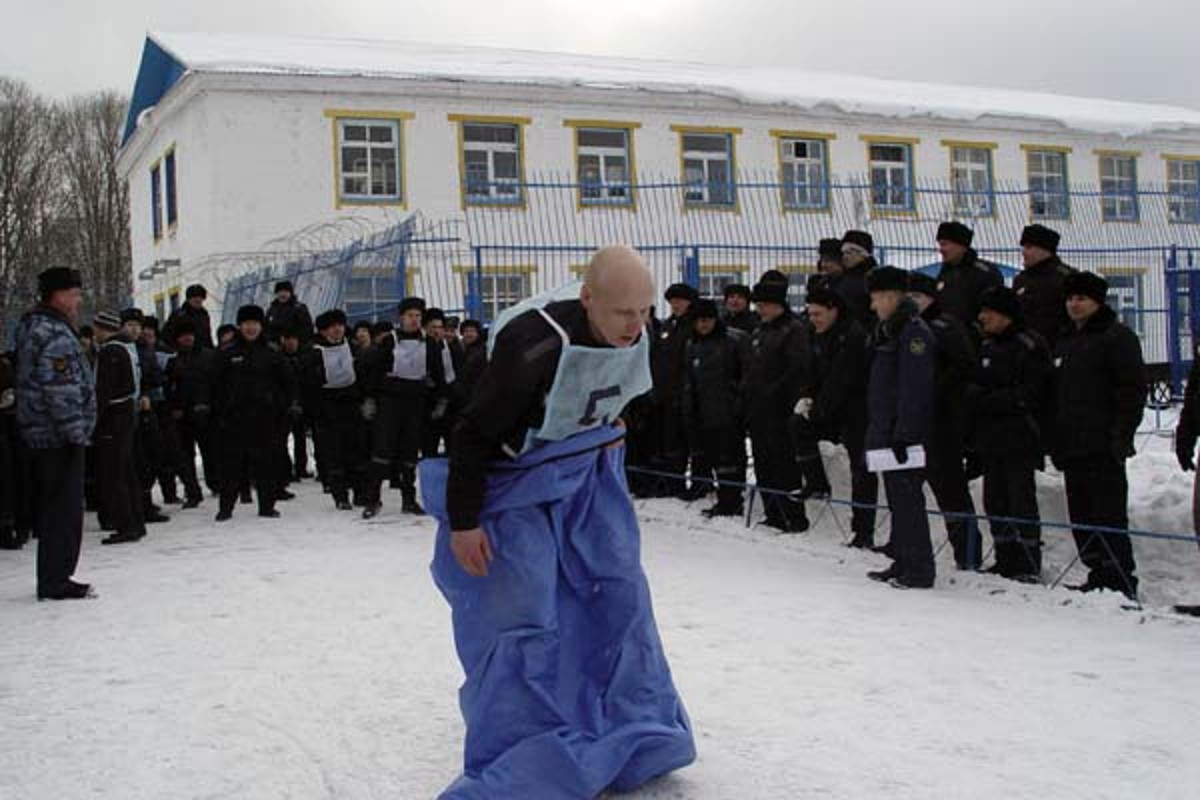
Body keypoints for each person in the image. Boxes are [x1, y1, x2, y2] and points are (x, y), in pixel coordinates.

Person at [426, 245, 695, 798]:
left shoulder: (640, 331)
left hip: (585, 469)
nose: (636, 324)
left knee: (618, 593)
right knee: (523, 614)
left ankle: (629, 723)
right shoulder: (534, 347)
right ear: (588, 297)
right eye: (623, 311)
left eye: (644, 311)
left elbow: (629, 393)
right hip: (508, 482)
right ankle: (524, 747)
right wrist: (464, 522)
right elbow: (472, 436)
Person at [1052, 271, 1146, 600]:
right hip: (1072, 443)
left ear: (1098, 302)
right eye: (1070, 298)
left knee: (1108, 514)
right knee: (1081, 514)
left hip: (1103, 444)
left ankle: (1120, 578)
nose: (1074, 305)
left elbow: (1132, 390)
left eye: (1081, 299)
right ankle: (1096, 572)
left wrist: (1121, 435)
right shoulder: (1064, 339)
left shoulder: (1116, 337)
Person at [969, 286, 1053, 582]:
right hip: (991, 437)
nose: (982, 317)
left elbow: (1029, 394)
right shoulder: (987, 345)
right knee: (995, 499)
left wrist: (991, 399)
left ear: (1004, 314)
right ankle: (1005, 557)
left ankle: (1028, 563)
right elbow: (975, 385)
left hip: (1020, 435)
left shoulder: (1029, 344)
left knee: (1021, 499)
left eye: (988, 311)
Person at [864, 267, 937, 590]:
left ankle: (920, 568)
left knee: (908, 499)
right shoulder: (891, 330)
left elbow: (914, 387)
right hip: (887, 429)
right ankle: (904, 559)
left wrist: (905, 432)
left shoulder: (913, 332)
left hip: (903, 434)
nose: (873, 305)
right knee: (897, 499)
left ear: (892, 296)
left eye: (876, 298)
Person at [907, 272, 980, 570]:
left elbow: (964, 368)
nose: (911, 302)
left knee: (950, 490)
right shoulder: (909, 327)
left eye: (917, 297)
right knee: (911, 488)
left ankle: (968, 553)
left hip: (943, 421)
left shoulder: (945, 327)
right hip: (915, 420)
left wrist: (934, 393)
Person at [796, 283, 876, 548]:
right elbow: (811, 368)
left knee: (861, 468)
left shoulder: (853, 335)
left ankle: (863, 530)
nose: (813, 319)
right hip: (828, 407)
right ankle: (817, 483)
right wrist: (807, 397)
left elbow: (842, 379)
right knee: (797, 425)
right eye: (810, 314)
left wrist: (819, 408)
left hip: (856, 410)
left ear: (834, 311)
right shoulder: (814, 332)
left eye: (818, 314)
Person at [209, 304, 295, 521]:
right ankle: (225, 508)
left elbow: (288, 383)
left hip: (265, 418)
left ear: (261, 325)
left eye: (255, 324)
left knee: (266, 464)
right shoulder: (226, 352)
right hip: (233, 419)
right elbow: (213, 384)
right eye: (246, 324)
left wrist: (282, 406)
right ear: (240, 326)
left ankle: (267, 506)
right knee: (231, 465)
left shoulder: (272, 352)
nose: (251, 328)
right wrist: (218, 410)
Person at [360, 297, 444, 518]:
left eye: (418, 316)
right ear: (401, 318)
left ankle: (409, 499)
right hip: (390, 402)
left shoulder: (430, 343)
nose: (414, 320)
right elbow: (374, 371)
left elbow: (438, 374)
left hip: (416, 401)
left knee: (409, 452)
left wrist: (440, 399)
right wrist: (370, 398)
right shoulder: (389, 341)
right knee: (382, 450)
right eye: (410, 316)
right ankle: (372, 499)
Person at [745, 278, 812, 533]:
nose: (760, 310)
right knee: (764, 463)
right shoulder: (760, 330)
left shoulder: (793, 329)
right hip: (759, 409)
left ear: (778, 305)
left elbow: (797, 368)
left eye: (764, 305)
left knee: (785, 464)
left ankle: (793, 515)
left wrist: (773, 392)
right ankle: (773, 512)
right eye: (758, 305)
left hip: (781, 409)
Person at [682, 298, 749, 517]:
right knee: (713, 457)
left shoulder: (734, 340)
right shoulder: (693, 344)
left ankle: (732, 501)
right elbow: (690, 381)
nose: (703, 325)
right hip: (704, 412)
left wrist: (738, 405)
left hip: (728, 412)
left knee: (730, 459)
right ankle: (724, 499)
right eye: (698, 321)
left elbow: (747, 376)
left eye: (707, 320)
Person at [92, 311, 149, 545]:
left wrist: (94, 417)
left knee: (114, 474)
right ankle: (136, 521)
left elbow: (103, 390)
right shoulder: (126, 349)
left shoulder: (110, 351)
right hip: (126, 414)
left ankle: (125, 524)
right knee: (127, 471)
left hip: (114, 418)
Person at [303, 309, 367, 510]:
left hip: (352, 405)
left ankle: (360, 493)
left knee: (356, 451)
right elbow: (306, 384)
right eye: (332, 327)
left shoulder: (353, 348)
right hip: (326, 408)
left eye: (340, 325)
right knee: (333, 454)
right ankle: (340, 495)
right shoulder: (313, 352)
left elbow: (364, 374)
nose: (337, 330)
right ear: (323, 331)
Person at [650, 283, 697, 496]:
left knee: (681, 442)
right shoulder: (667, 325)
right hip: (664, 392)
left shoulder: (694, 326)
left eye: (680, 300)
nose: (676, 304)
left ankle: (680, 483)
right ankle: (667, 483)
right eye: (672, 301)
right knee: (665, 440)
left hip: (684, 393)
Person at [164, 317, 214, 506]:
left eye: (190, 335)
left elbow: (213, 383)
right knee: (186, 454)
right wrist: (175, 407)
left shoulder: (207, 357)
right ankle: (192, 489)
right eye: (183, 336)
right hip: (183, 415)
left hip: (205, 411)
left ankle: (215, 483)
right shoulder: (174, 361)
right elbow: (169, 388)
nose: (187, 339)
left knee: (210, 451)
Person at [933, 221, 1003, 337]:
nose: (941, 249)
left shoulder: (984, 273)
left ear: (961, 246)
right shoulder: (944, 273)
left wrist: (975, 331)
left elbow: (996, 309)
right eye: (940, 245)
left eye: (945, 244)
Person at [1014, 224, 1074, 350]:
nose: (1023, 252)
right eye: (1023, 247)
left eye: (1029, 247)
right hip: (1024, 351)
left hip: (1056, 349)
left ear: (1045, 250)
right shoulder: (1021, 280)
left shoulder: (1066, 278)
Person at [164, 284, 215, 350]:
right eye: (195, 297)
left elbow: (207, 337)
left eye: (201, 297)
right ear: (188, 299)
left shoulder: (204, 315)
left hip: (203, 353)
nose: (198, 299)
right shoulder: (179, 315)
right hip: (185, 352)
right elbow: (168, 336)